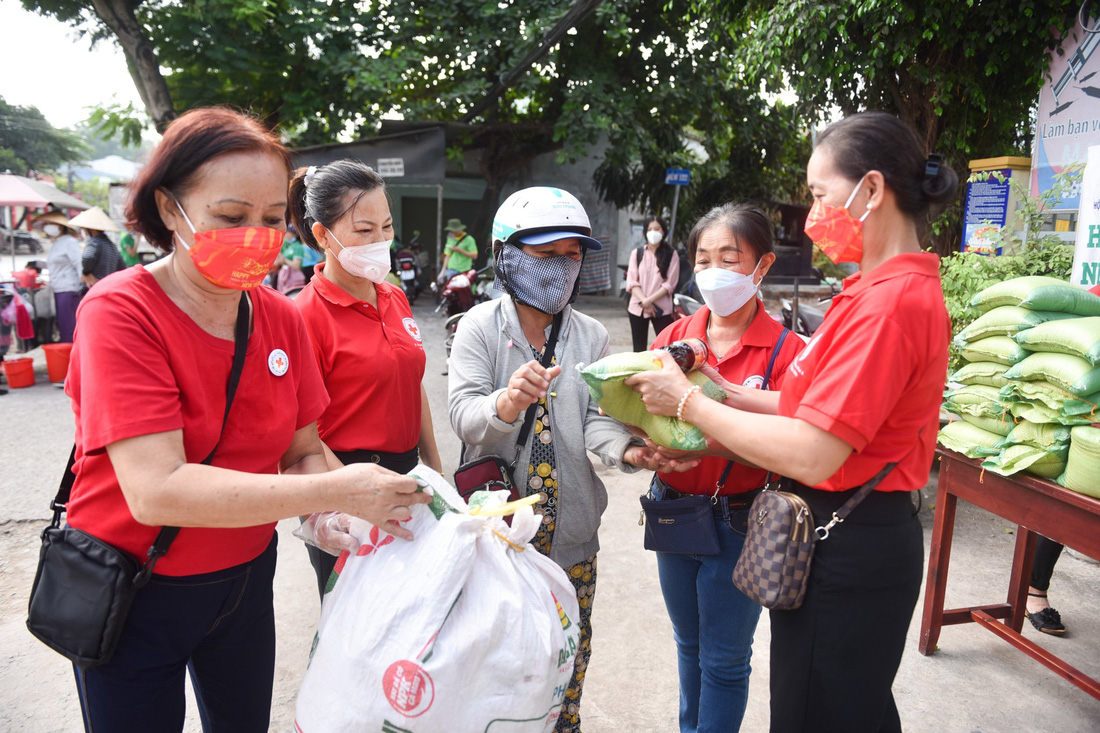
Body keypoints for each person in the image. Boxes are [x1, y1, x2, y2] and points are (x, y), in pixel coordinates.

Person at [59, 107, 429, 732]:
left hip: (242, 584)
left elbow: (302, 447)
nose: (255, 237)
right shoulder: (120, 311)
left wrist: (338, 512)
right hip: (135, 585)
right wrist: (336, 488)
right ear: (171, 209)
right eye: (231, 218)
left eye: (270, 220)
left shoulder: (278, 317)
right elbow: (157, 489)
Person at [627, 111, 958, 733]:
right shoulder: (869, 293)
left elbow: (812, 451)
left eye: (818, 193)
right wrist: (723, 392)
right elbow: (808, 408)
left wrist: (691, 405)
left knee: (822, 711)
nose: (813, 213)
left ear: (872, 190)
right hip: (836, 533)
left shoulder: (889, 306)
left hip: (851, 538)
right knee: (830, 705)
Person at [449, 186, 695, 732]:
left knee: (565, 663)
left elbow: (595, 418)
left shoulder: (587, 334)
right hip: (497, 539)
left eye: (572, 254)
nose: (562, 266)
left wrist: (631, 450)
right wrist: (507, 401)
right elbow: (464, 417)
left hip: (572, 537)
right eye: (545, 254)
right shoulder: (480, 327)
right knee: (493, 669)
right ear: (506, 255)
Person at [648, 203, 804, 733]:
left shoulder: (788, 352)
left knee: (724, 661)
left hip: (741, 523)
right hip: (674, 512)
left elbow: (788, 445)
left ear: (762, 267)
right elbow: (634, 414)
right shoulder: (671, 340)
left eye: (728, 258)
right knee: (687, 647)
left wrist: (713, 444)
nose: (712, 270)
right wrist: (643, 445)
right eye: (703, 257)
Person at [289, 159, 443, 597]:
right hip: (340, 479)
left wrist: (434, 471)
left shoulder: (394, 297)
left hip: (406, 475)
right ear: (322, 235)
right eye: (363, 230)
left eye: (387, 227)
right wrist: (352, 497)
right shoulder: (304, 315)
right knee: (358, 625)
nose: (380, 241)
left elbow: (411, 386)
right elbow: (303, 432)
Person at [626, 216, 680, 351]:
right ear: (645, 232)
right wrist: (645, 301)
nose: (653, 232)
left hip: (661, 309)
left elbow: (670, 284)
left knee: (666, 348)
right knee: (638, 349)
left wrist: (649, 301)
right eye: (649, 229)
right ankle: (640, 372)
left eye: (657, 229)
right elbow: (632, 281)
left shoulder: (672, 254)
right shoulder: (637, 253)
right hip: (637, 307)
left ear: (663, 232)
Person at [40, 211, 83, 342]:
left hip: (69, 289)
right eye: (46, 224)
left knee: (69, 327)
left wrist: (81, 285)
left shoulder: (69, 242)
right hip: (58, 289)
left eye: (50, 223)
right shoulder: (57, 243)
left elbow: (78, 263)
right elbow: (55, 265)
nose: (47, 226)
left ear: (60, 226)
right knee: (63, 326)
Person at [70, 207, 126, 289]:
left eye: (85, 229)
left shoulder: (94, 242)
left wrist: (86, 273)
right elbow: (122, 267)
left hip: (94, 287)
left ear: (90, 229)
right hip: (107, 287)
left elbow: (87, 257)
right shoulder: (111, 245)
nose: (84, 231)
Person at [439, 217, 477, 282]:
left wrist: (459, 250)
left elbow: (474, 256)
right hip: (451, 269)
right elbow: (447, 255)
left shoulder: (469, 239)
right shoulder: (450, 237)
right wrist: (443, 271)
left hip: (464, 270)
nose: (452, 232)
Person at [275, 225, 306, 294]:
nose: (285, 234)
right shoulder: (284, 244)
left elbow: (296, 265)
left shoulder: (297, 246)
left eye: (287, 232)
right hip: (283, 274)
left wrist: (284, 259)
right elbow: (277, 261)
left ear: (293, 234)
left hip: (293, 276)